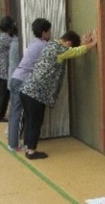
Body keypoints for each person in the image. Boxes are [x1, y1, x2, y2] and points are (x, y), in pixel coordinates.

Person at [19, 29, 98, 160]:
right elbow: (75, 52)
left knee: (29, 120)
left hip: (26, 89)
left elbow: (73, 50)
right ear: (68, 43)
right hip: (36, 92)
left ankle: (28, 146)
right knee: (35, 122)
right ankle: (31, 151)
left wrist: (84, 44)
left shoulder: (51, 44)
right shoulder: (60, 49)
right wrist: (93, 43)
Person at [7, 18, 51, 152]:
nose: (50, 34)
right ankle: (14, 144)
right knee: (18, 113)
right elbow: (59, 49)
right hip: (22, 80)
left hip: (16, 77)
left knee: (15, 112)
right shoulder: (43, 45)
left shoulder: (34, 43)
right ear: (43, 33)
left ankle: (13, 141)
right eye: (49, 31)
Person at [0, 16, 18, 122]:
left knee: (1, 92)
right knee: (3, 94)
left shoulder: (1, 36)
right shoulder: (6, 37)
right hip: (2, 69)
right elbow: (17, 42)